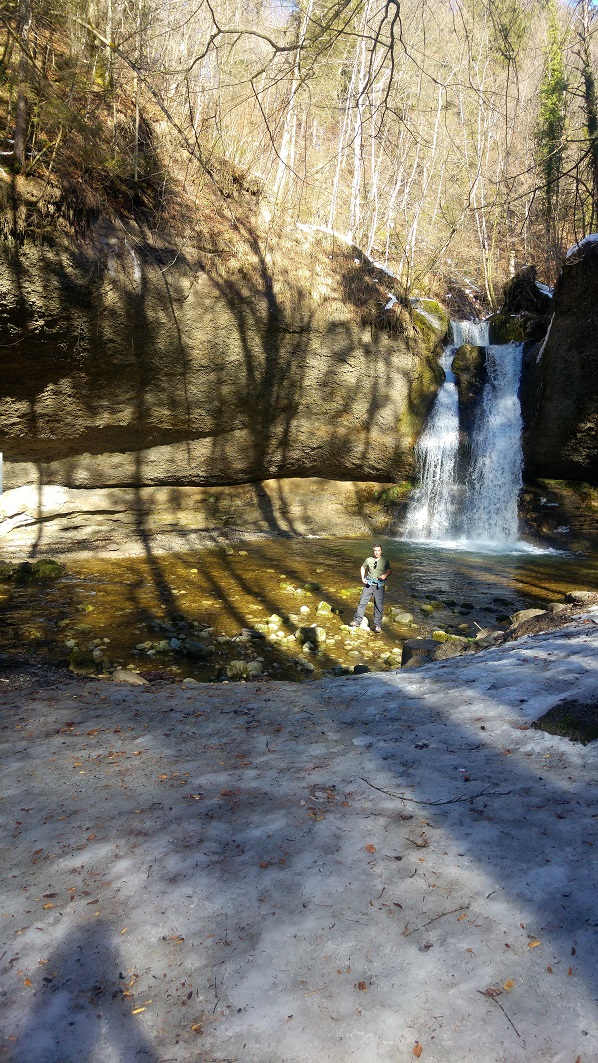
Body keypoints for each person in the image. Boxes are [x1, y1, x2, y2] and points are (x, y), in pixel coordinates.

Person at [350, 544, 391, 633]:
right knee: (362, 602)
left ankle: (377, 625)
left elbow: (389, 570)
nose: (377, 552)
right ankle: (357, 621)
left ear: (381, 551)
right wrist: (362, 578)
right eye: (375, 550)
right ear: (373, 551)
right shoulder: (368, 560)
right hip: (369, 584)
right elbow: (363, 567)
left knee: (378, 605)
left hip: (379, 586)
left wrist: (385, 575)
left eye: (378, 550)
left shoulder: (385, 561)